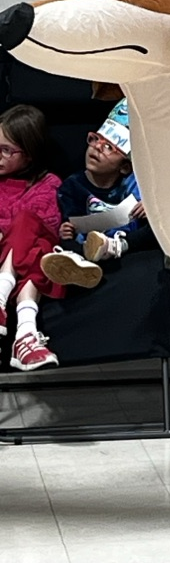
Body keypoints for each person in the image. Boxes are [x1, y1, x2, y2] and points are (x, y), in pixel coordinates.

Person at [41, 99, 157, 289]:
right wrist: (66, 230)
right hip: (87, 241)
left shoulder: (134, 182)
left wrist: (150, 207)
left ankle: (110, 249)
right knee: (68, 241)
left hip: (123, 240)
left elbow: (152, 211)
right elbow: (71, 222)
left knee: (156, 228)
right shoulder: (73, 186)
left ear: (125, 167)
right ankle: (79, 264)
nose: (96, 147)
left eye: (109, 147)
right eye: (95, 139)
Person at [0, 104, 63, 371]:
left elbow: (49, 223)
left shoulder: (49, 184)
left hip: (23, 259)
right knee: (36, 243)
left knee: (38, 240)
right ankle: (25, 336)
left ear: (29, 155)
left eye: (5, 150)